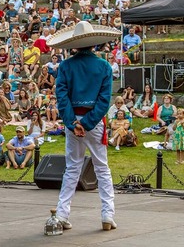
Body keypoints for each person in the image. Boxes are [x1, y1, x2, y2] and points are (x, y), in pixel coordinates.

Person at [47, 20, 121, 231]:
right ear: (94, 44)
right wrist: (87, 123)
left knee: (72, 168)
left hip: (74, 121)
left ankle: (62, 214)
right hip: (94, 121)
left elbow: (61, 97)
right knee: (102, 168)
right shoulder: (104, 66)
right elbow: (104, 100)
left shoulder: (66, 66)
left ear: (75, 44)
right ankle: (107, 214)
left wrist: (73, 123)